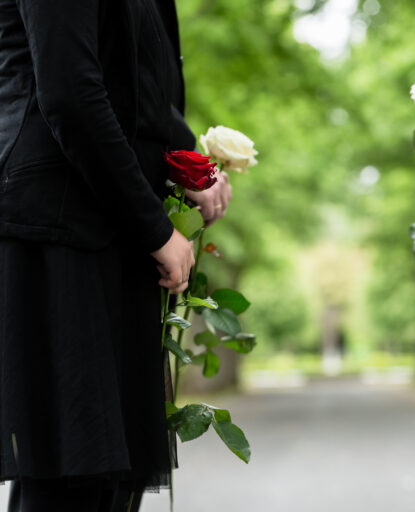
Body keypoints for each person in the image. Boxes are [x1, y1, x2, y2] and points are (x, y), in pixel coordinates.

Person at [0, 0, 229, 510]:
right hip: (59, 231)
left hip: (114, 229)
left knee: (108, 475)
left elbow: (139, 86)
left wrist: (192, 163)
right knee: (70, 474)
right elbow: (70, 94)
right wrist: (156, 230)